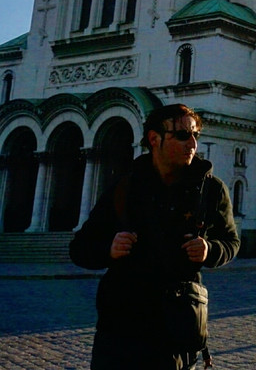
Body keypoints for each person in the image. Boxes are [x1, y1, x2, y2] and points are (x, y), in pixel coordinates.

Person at [70, 103, 240, 370]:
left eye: (195, 134)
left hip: (176, 326)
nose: (193, 143)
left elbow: (231, 242)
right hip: (121, 327)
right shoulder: (125, 186)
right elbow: (80, 248)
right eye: (183, 135)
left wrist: (211, 250)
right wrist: (109, 249)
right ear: (154, 139)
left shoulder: (211, 190)